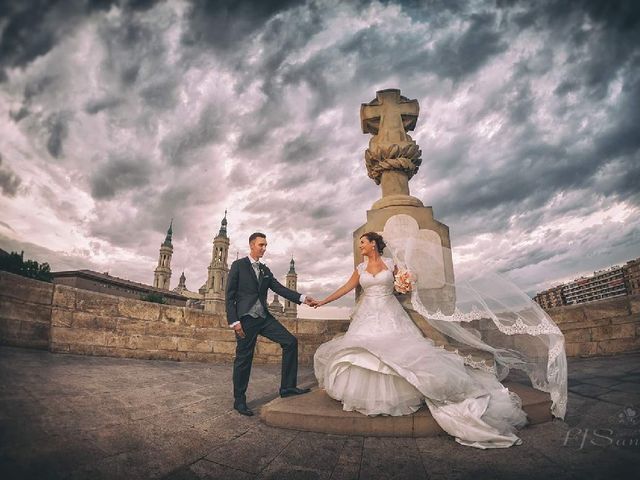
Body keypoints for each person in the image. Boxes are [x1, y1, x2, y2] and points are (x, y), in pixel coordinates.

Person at [312, 231, 547, 449]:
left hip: (390, 312)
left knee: (400, 352)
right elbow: (345, 288)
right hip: (367, 316)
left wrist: (404, 282)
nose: (360, 246)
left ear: (373, 243)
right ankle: (368, 396)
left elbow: (403, 288)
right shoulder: (360, 267)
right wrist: (322, 302)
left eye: (362, 242)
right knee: (364, 351)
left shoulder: (392, 265)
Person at [226, 232, 316, 416]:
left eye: (266, 245)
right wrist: (234, 321)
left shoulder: (265, 270)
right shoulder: (238, 266)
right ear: (252, 245)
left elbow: (279, 289)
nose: (264, 248)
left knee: (290, 342)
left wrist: (303, 298)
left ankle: (287, 387)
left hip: (264, 318)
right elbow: (229, 296)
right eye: (261, 245)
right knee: (244, 359)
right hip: (245, 320)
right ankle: (239, 400)